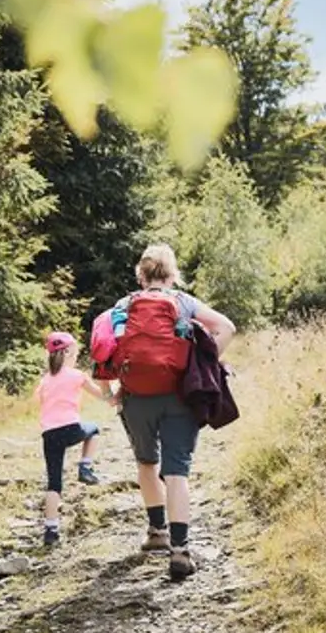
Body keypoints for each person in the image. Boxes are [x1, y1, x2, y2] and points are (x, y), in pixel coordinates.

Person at [98, 244, 236, 579]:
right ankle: (180, 551)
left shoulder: (123, 305)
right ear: (172, 274)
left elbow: (104, 348)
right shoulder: (183, 302)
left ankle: (156, 531)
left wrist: (112, 392)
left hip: (136, 397)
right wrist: (202, 361)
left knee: (147, 463)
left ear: (140, 275)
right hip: (179, 395)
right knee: (177, 473)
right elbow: (227, 327)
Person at [35, 331, 117, 547]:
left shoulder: (45, 380)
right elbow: (103, 396)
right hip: (71, 428)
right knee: (94, 430)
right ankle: (85, 468)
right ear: (69, 352)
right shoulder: (76, 375)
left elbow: (40, 402)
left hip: (49, 434)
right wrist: (117, 396)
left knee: (54, 482)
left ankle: (51, 530)